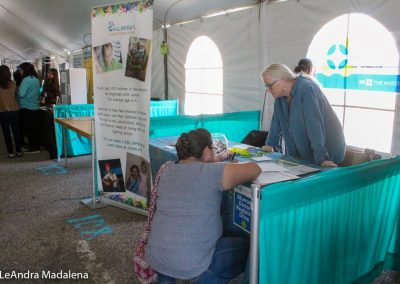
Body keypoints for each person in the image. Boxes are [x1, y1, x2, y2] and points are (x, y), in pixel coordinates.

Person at [145, 128, 261, 283]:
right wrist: (224, 165)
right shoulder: (211, 174)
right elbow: (255, 169)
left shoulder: (166, 170)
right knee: (253, 247)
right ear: (206, 152)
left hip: (157, 257)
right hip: (192, 263)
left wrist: (217, 162)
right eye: (212, 150)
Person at [261, 63, 346, 167]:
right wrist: (269, 145)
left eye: (270, 85)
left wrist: (322, 158)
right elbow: (276, 123)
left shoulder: (306, 89)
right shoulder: (280, 97)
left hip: (327, 149)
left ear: (283, 79)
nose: (268, 90)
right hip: (306, 153)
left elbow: (315, 127)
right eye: (266, 86)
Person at [17, 62, 41, 154]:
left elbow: (21, 94)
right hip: (34, 106)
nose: (20, 72)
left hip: (26, 107)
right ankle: (34, 146)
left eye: (21, 70)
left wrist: (17, 91)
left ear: (25, 70)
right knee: (33, 128)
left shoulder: (26, 80)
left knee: (28, 128)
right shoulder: (35, 79)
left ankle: (33, 148)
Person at [0, 65, 22, 158]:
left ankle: (11, 153)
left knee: (6, 132)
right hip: (15, 110)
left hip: (2, 111)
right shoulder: (13, 83)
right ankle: (19, 151)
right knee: (16, 131)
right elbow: (17, 95)